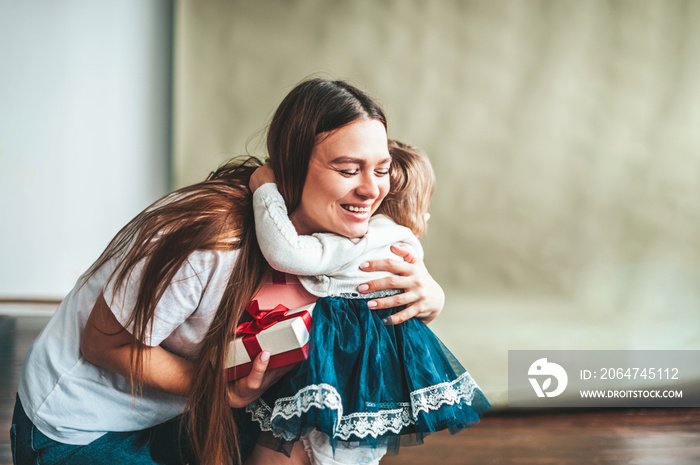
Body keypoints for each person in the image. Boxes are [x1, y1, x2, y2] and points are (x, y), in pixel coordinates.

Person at [10, 78, 447, 465]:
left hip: (190, 410)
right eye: (348, 170)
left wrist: (427, 297)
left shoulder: (350, 237)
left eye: (381, 170)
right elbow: (102, 340)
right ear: (293, 168)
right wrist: (216, 390)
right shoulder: (213, 239)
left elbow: (370, 330)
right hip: (84, 428)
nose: (371, 190)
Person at [245, 140, 490, 464]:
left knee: (276, 452)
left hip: (331, 377)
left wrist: (265, 190)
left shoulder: (363, 237)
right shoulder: (405, 244)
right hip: (372, 392)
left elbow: (285, 251)